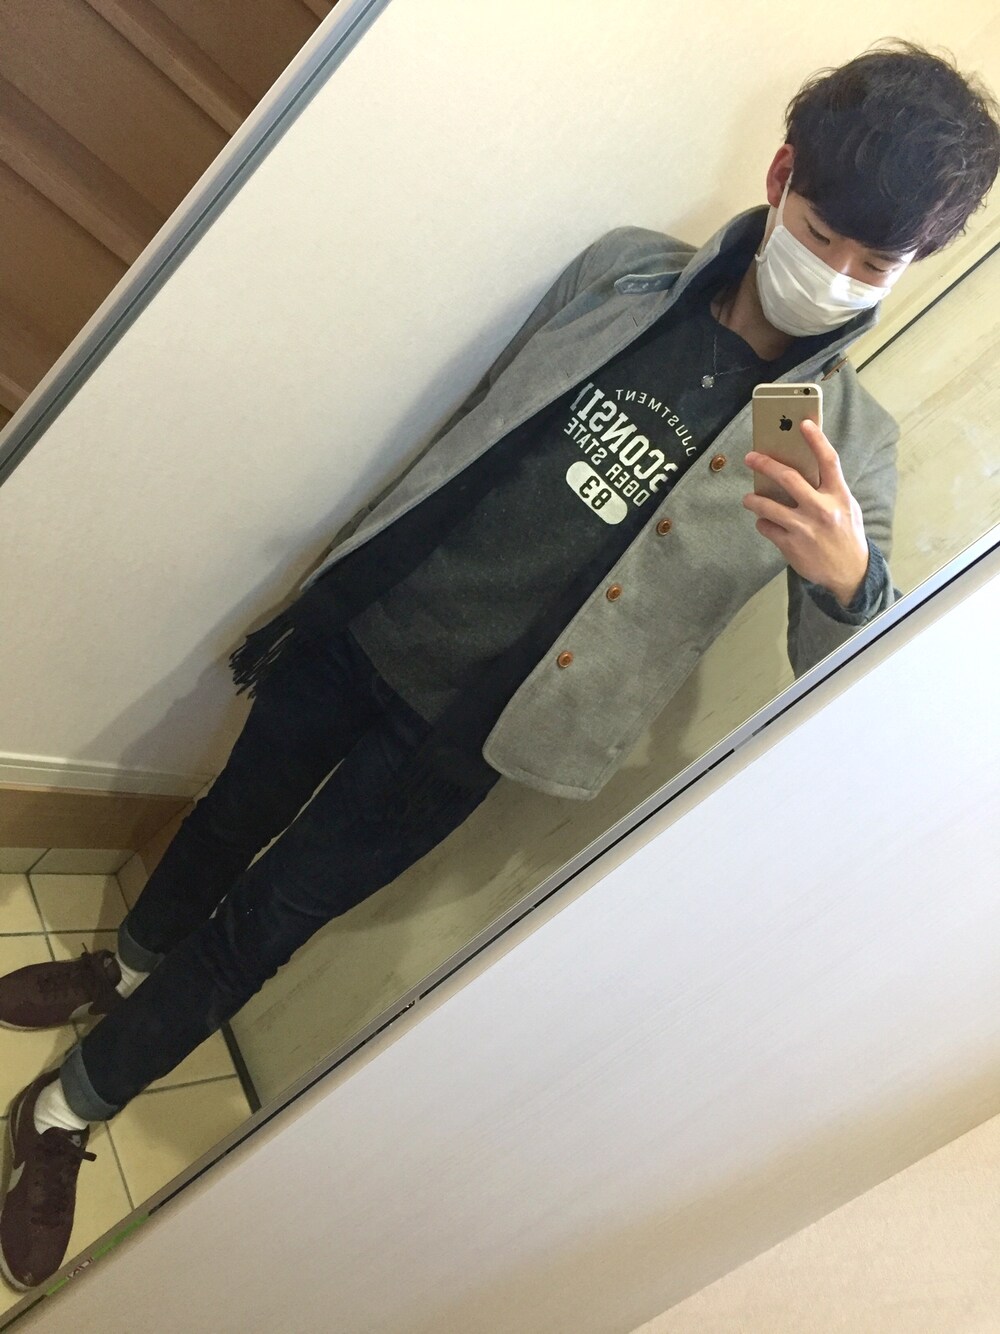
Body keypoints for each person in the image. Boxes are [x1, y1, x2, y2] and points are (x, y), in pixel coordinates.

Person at [2, 39, 998, 1293]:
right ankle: (123, 964)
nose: (838, 276)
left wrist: (848, 581)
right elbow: (482, 419)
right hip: (372, 623)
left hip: (473, 732)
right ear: (779, 175)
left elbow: (836, 676)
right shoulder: (624, 271)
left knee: (272, 921)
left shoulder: (845, 443)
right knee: (226, 815)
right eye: (823, 235)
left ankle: (69, 1106)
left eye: (876, 264)